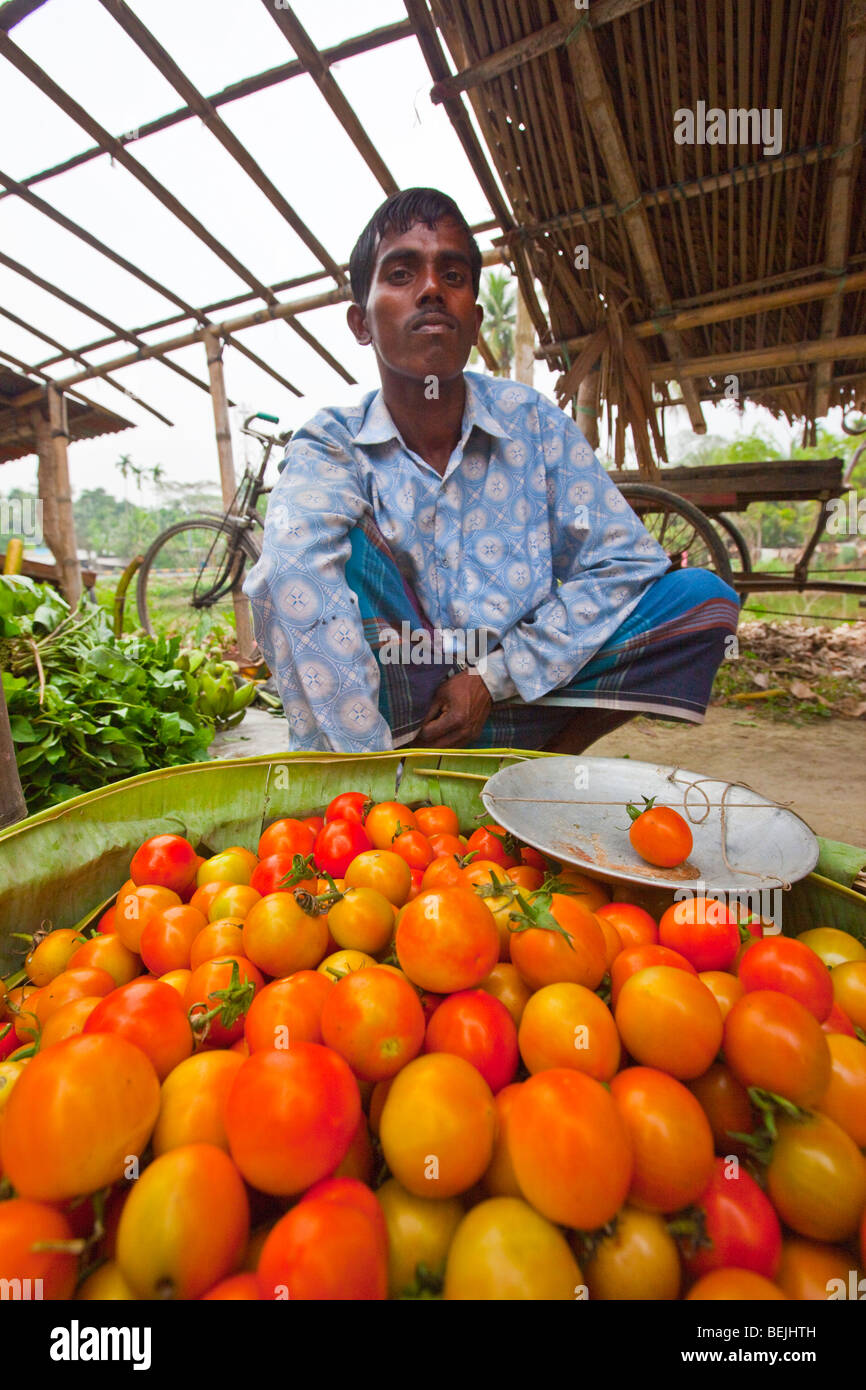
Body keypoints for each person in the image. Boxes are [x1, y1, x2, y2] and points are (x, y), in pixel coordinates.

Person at [244, 188, 740, 754]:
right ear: (361, 322)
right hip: (403, 718)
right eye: (402, 273)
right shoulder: (333, 442)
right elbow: (289, 571)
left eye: (452, 275)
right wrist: (365, 778)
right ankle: (384, 772)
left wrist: (492, 676)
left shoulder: (533, 424)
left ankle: (541, 762)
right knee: (308, 555)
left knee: (701, 600)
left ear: (475, 320)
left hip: (527, 694)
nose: (432, 289)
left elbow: (624, 560)